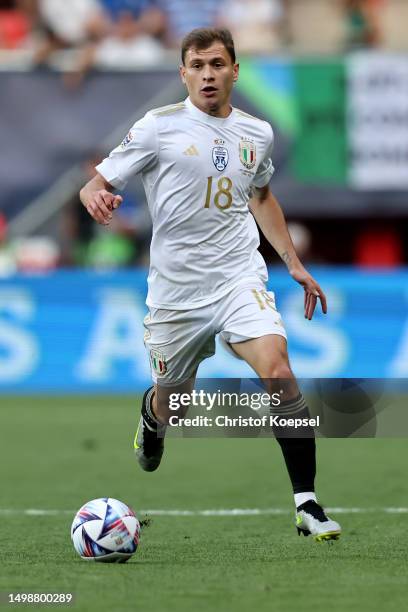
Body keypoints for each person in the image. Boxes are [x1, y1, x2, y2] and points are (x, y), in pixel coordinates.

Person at [79, 27, 341, 542]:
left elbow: (261, 197)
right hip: (176, 294)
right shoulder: (158, 128)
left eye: (217, 64)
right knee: (173, 397)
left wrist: (292, 262)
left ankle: (306, 504)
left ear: (235, 71)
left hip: (238, 276)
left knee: (279, 370)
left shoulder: (256, 133)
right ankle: (152, 420)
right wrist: (95, 196)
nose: (207, 74)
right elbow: (98, 181)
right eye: (197, 65)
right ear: (183, 74)